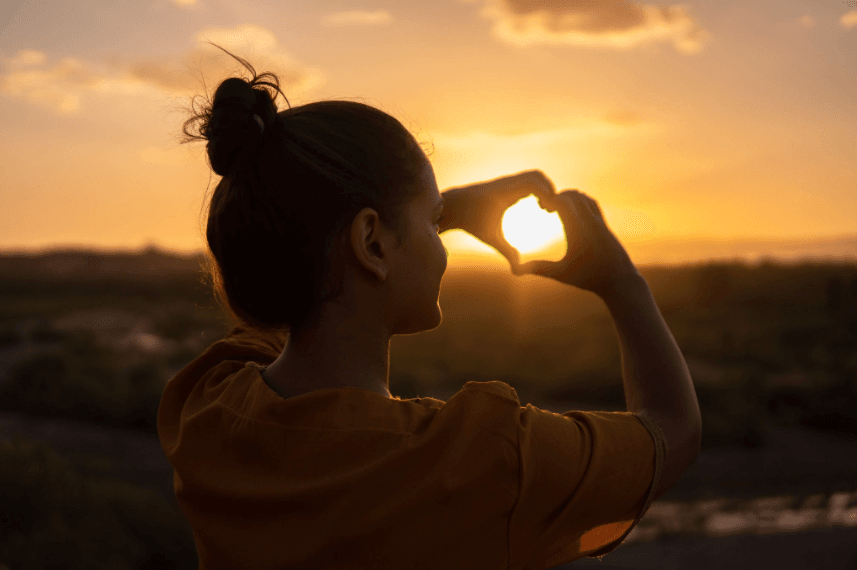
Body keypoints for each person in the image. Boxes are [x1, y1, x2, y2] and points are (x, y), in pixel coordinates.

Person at [158, 44, 701, 570]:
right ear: (371, 242)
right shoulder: (481, 459)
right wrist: (623, 284)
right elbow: (672, 431)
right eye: (433, 219)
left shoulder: (208, 406)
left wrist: (419, 215)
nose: (442, 240)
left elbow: (299, 279)